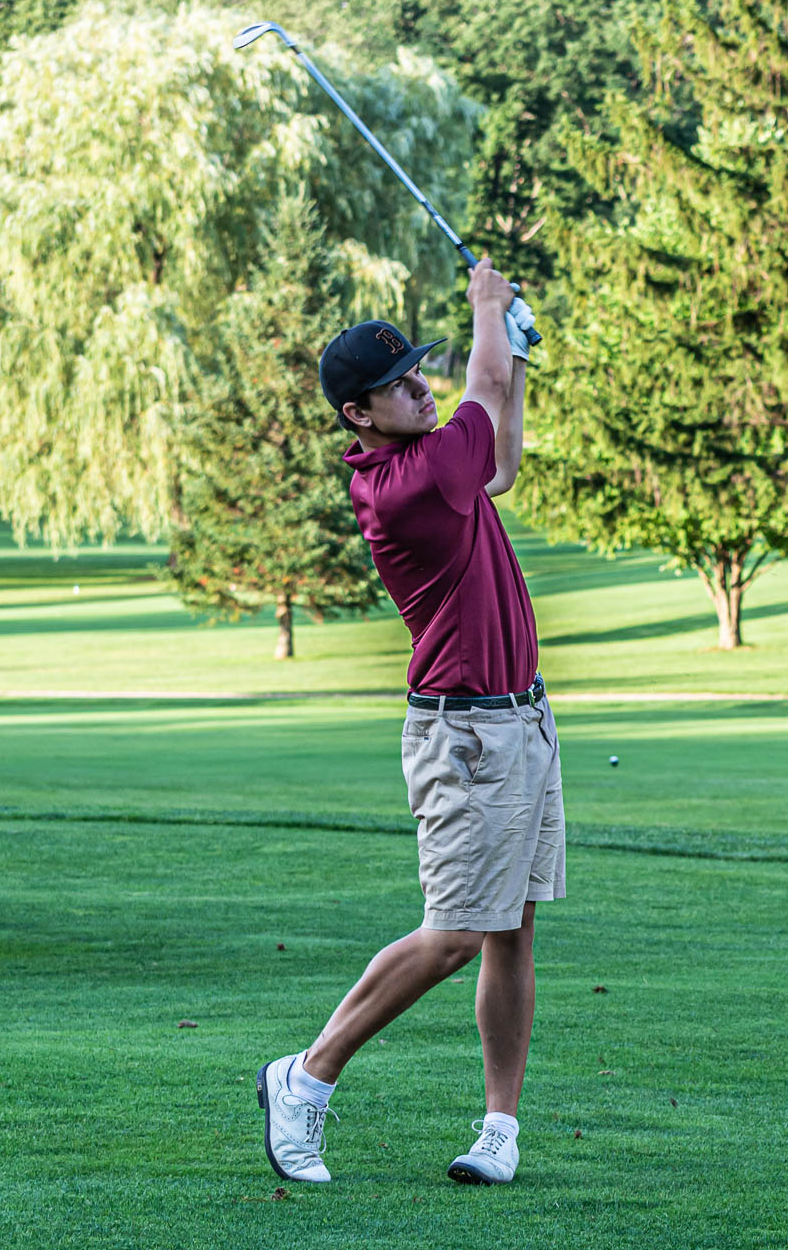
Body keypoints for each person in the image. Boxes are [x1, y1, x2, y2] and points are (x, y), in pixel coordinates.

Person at [256, 259, 561, 1187]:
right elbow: (483, 392)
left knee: (511, 931)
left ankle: (499, 1130)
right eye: (397, 384)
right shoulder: (408, 486)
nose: (420, 387)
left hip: (524, 722)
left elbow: (500, 460)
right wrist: (489, 310)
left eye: (417, 369)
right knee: (457, 933)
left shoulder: (444, 468)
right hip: (465, 738)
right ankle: (305, 1078)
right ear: (358, 413)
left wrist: (511, 346)